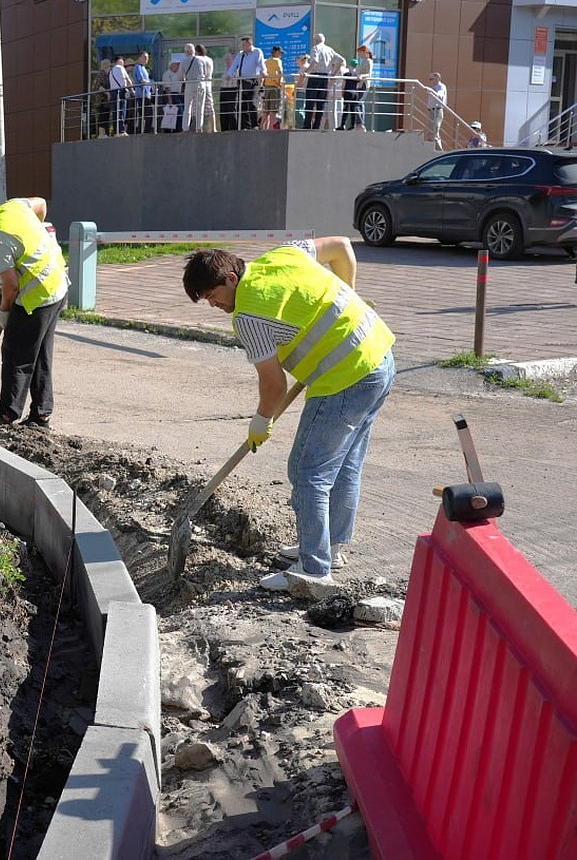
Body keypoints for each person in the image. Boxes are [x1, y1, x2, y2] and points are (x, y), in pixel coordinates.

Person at [181, 236, 396, 595]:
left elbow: (274, 386)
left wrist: (261, 421)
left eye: (212, 294)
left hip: (344, 378)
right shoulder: (285, 253)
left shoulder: (247, 316)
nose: (213, 303)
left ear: (231, 278)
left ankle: (313, 570)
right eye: (205, 300)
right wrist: (349, 296)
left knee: (307, 470)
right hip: (379, 359)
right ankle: (331, 545)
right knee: (343, 464)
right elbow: (341, 246)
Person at [0, 191, 68, 428]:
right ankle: (41, 414)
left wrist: (4, 312)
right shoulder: (15, 206)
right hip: (57, 285)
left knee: (16, 354)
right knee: (39, 354)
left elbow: (11, 286)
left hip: (37, 296)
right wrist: (34, 234)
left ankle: (7, 413)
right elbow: (40, 204)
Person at [304, 34, 343, 130]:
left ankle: (307, 125)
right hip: (325, 77)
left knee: (310, 102)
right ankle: (317, 126)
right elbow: (341, 60)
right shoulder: (329, 50)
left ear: (315, 40)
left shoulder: (315, 48)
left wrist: (305, 72)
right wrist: (333, 73)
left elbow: (314, 62)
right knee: (321, 104)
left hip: (314, 76)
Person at [228, 36, 266, 130]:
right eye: (242, 45)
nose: (243, 47)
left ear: (250, 44)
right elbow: (234, 66)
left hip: (253, 81)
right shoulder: (241, 54)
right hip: (242, 81)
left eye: (245, 45)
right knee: (243, 104)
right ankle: (245, 126)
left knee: (252, 102)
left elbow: (261, 64)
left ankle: (254, 125)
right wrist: (229, 74)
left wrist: (264, 72)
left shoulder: (257, 52)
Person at [261, 46, 284, 130]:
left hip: (267, 86)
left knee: (266, 109)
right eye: (280, 53)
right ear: (277, 52)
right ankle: (271, 128)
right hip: (275, 86)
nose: (281, 55)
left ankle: (262, 127)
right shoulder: (278, 61)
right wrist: (280, 82)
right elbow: (280, 71)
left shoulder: (266, 61)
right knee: (273, 109)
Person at [131, 52, 155, 134]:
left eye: (147, 58)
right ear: (139, 58)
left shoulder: (143, 68)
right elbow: (141, 80)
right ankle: (145, 131)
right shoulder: (138, 67)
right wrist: (151, 83)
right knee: (147, 113)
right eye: (144, 57)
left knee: (146, 114)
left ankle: (145, 131)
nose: (146, 59)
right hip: (141, 95)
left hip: (146, 94)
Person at [108, 55, 132, 136]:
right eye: (122, 61)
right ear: (119, 61)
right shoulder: (121, 68)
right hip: (121, 91)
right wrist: (132, 90)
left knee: (115, 112)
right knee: (121, 111)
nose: (123, 63)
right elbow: (128, 80)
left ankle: (116, 131)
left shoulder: (111, 71)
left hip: (113, 93)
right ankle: (121, 131)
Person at [161, 59, 184, 132]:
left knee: (180, 113)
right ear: (172, 65)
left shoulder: (178, 74)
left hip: (178, 94)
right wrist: (170, 100)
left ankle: (177, 130)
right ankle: (167, 130)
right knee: (170, 113)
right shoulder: (167, 74)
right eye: (177, 65)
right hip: (171, 95)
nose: (178, 66)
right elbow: (167, 88)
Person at [426, 72, 447, 150]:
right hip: (431, 110)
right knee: (431, 132)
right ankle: (433, 149)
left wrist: (431, 91)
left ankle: (439, 150)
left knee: (435, 131)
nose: (430, 81)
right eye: (430, 79)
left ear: (438, 78)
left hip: (437, 110)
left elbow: (440, 96)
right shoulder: (434, 87)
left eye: (432, 79)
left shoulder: (441, 86)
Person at [338, 60, 362, 130]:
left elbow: (343, 85)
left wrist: (342, 92)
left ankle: (342, 125)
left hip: (348, 92)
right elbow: (358, 85)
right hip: (354, 93)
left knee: (345, 109)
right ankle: (352, 125)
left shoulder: (346, 74)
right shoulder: (356, 75)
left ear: (350, 65)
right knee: (353, 110)